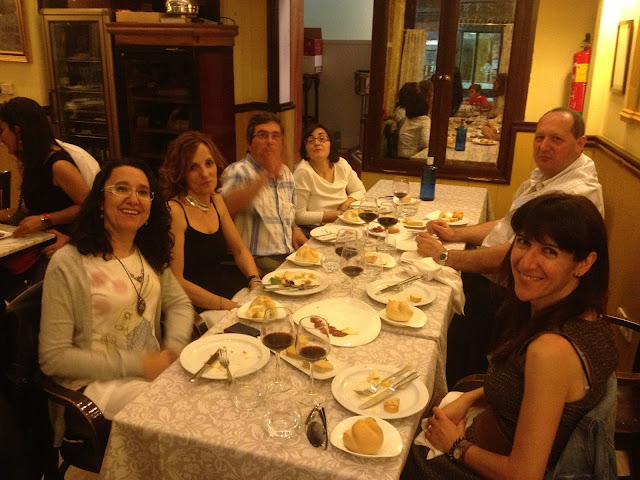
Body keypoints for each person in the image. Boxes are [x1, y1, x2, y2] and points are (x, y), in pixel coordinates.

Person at [403, 193, 617, 479]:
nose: (526, 263)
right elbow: (533, 394)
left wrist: (455, 445)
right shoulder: (587, 314)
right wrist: (471, 398)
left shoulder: (551, 351)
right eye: (524, 242)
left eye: (549, 251)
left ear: (584, 263)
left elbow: (523, 475)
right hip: (480, 430)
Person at [416, 107, 605, 386]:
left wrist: (445, 256)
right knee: (436, 289)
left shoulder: (572, 194)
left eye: (556, 139)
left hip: (524, 296)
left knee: (437, 310)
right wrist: (456, 234)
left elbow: (511, 256)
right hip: (512, 284)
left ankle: (460, 389)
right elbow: (509, 226)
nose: (544, 146)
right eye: (539, 137)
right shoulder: (550, 175)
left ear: (580, 143)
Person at [39, 159, 193, 424]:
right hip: (93, 388)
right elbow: (53, 358)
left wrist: (172, 350)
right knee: (180, 415)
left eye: (143, 192)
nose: (133, 198)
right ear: (100, 201)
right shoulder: (68, 263)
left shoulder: (148, 253)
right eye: (121, 189)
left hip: (151, 374)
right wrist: (139, 365)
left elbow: (180, 303)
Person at [159, 131, 261, 311]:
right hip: (196, 307)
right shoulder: (175, 211)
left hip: (224, 292)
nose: (205, 173)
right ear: (180, 173)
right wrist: (230, 306)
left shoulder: (215, 199)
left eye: (209, 163)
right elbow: (176, 281)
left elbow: (239, 250)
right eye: (193, 167)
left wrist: (255, 281)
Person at [0, 97, 91, 299]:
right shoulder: (34, 161)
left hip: (60, 245)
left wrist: (44, 220)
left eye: (2, 130)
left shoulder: (58, 165)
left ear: (18, 131)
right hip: (38, 242)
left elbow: (88, 206)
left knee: (33, 298)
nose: (1, 139)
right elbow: (26, 209)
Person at [220, 112, 307, 275]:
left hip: (288, 254)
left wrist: (295, 228)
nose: (270, 141)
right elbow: (225, 209)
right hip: (257, 258)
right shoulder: (238, 171)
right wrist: (265, 174)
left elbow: (289, 211)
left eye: (276, 136)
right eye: (262, 135)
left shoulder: (286, 173)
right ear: (249, 144)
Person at [294, 124, 365, 226]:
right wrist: (335, 215)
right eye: (311, 140)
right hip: (316, 229)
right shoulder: (303, 172)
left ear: (330, 145)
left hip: (344, 222)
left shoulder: (341, 164)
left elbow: (359, 190)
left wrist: (345, 205)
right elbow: (299, 216)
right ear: (306, 152)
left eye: (322, 138)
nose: (317, 143)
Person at [398, 84, 431, 158]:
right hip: (412, 158)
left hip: (401, 155)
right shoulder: (424, 121)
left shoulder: (408, 119)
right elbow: (427, 144)